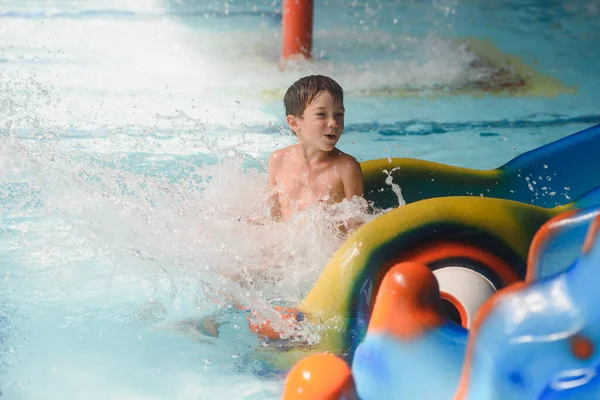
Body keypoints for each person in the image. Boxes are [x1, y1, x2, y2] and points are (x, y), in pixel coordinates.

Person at [266, 75, 365, 224]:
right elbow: (271, 217)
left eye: (339, 114)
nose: (333, 123)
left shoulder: (346, 168)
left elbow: (356, 226)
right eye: (321, 114)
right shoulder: (278, 160)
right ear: (294, 123)